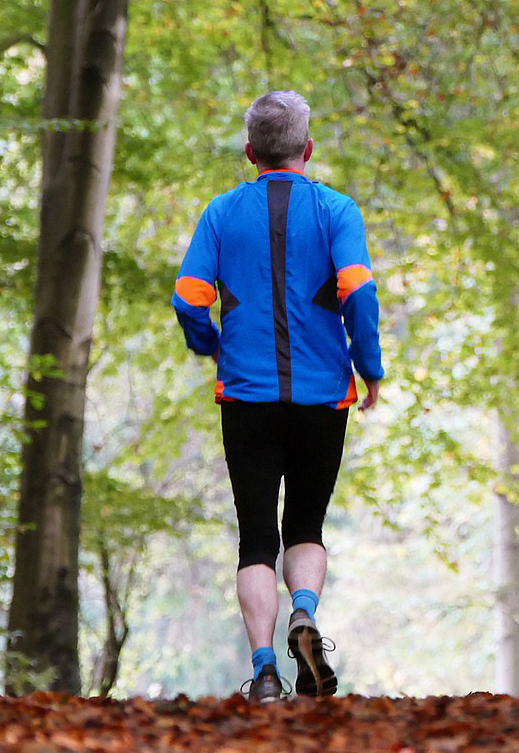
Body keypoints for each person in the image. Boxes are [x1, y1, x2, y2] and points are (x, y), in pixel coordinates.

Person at [171, 90, 384, 704]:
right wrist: (368, 369)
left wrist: (210, 344)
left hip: (246, 395)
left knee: (256, 538)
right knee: (307, 526)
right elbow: (358, 293)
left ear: (249, 152)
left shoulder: (220, 213)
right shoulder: (337, 210)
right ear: (307, 150)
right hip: (323, 397)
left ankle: (265, 671)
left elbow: (188, 296)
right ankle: (306, 615)